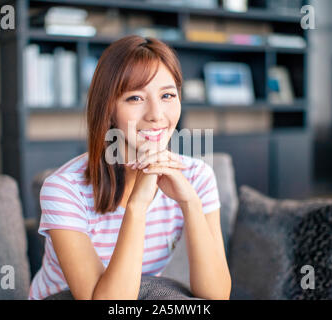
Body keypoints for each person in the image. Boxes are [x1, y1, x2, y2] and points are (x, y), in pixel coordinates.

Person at [28, 35, 231, 300]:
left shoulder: (196, 177)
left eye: (168, 95)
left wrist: (190, 203)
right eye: (135, 98)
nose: (156, 114)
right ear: (109, 109)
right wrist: (137, 206)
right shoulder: (63, 189)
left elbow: (216, 295)